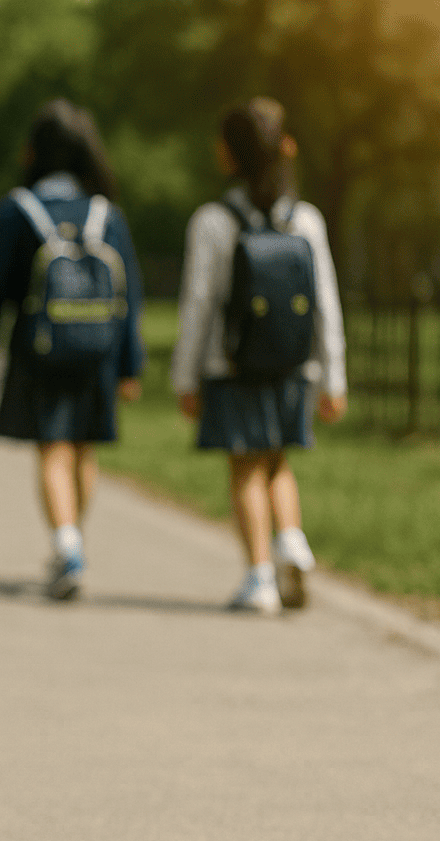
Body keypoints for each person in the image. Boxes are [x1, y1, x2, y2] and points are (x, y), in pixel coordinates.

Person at [171, 97, 346, 615]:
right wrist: (333, 377)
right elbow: (326, 305)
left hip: (233, 366)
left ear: (228, 156)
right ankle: (291, 539)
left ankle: (258, 578)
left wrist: (187, 376)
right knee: (277, 462)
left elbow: (198, 305)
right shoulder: (306, 219)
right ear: (284, 149)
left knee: (245, 466)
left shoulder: (212, 221)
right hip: (295, 366)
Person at [0, 98, 145, 600]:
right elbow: (131, 296)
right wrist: (130, 365)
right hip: (98, 355)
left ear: (35, 151)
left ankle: (67, 548)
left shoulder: (18, 209)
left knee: (53, 451)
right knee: (83, 448)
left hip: (39, 351)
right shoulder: (107, 212)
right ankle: (73, 541)